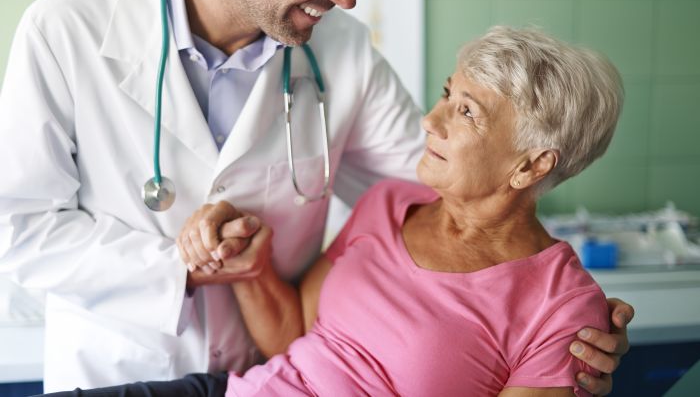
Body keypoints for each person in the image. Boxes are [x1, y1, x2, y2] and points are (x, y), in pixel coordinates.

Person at [0, 0, 629, 394]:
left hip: (261, 370)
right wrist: (183, 266)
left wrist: (566, 327)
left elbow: (467, 190)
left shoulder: (342, 50)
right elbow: (19, 230)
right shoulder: (67, 29)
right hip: (120, 363)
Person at [40, 26, 627, 397]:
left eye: (467, 112)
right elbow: (293, 334)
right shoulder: (390, 203)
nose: (431, 120)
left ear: (531, 166)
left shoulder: (562, 308)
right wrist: (248, 263)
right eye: (448, 94)